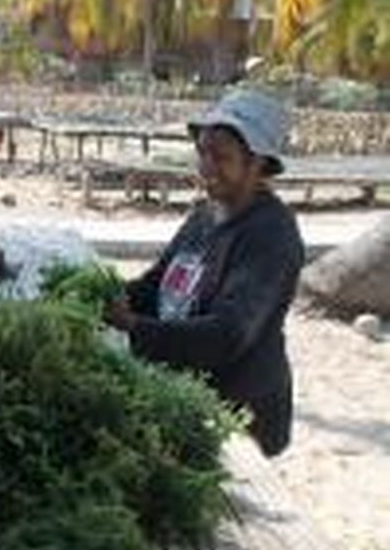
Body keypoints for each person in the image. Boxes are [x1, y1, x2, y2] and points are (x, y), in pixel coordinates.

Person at [107, 90, 305, 457]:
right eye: (203, 152)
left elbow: (228, 334)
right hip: (189, 396)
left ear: (258, 163)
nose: (206, 166)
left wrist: (134, 327)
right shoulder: (207, 214)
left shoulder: (270, 235)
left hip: (237, 417)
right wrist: (104, 294)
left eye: (222, 156)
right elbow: (156, 286)